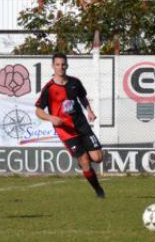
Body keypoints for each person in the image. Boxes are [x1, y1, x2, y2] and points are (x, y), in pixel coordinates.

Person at [35, 52, 105, 198]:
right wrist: (51, 118)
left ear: (67, 65)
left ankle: (83, 159)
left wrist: (89, 111)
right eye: (58, 65)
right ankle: (99, 190)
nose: (61, 67)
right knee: (85, 162)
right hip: (66, 131)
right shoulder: (49, 88)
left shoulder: (75, 82)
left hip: (82, 125)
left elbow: (82, 97)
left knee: (98, 157)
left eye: (63, 64)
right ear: (53, 66)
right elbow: (38, 111)